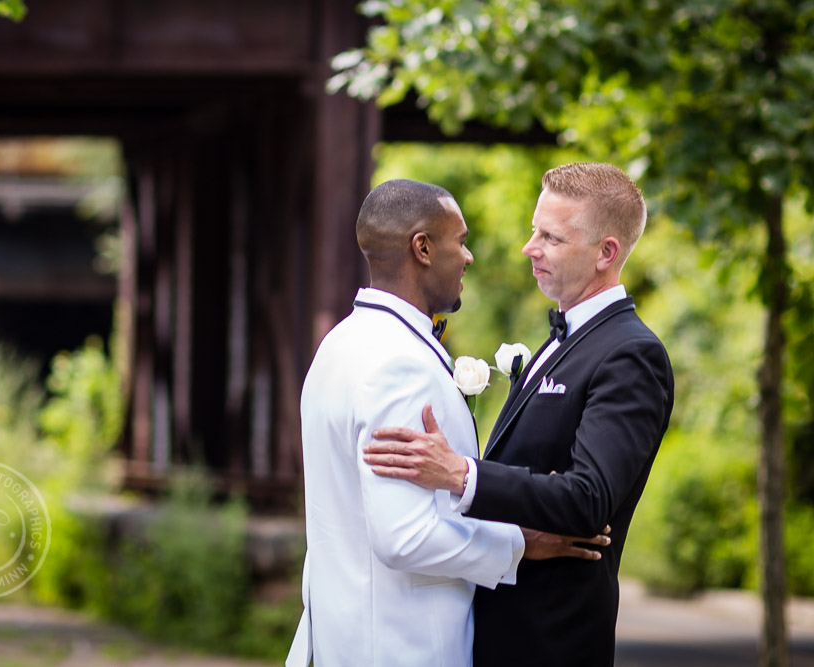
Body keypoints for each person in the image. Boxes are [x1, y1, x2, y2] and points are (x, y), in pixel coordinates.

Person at [286, 179, 608, 667]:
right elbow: (404, 536)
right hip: (400, 648)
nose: (469, 256)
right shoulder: (398, 364)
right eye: (460, 241)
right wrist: (519, 544)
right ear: (422, 248)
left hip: (342, 639)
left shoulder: (341, 343)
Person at [363, 163, 675, 666]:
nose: (530, 248)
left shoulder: (630, 354)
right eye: (535, 230)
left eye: (550, 237)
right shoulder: (561, 339)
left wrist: (461, 474)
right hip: (501, 632)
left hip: (551, 639)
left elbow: (589, 498)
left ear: (606, 253)